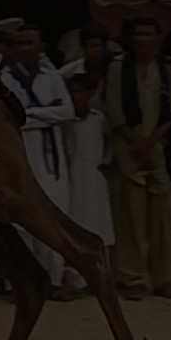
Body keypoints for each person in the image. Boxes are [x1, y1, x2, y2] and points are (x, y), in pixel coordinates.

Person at [103, 17, 171, 300]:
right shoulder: (117, 67)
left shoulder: (166, 68)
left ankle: (162, 278)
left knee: (161, 219)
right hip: (127, 149)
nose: (143, 39)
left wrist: (150, 144)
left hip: (156, 148)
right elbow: (113, 111)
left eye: (149, 34)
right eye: (139, 34)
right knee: (131, 217)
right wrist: (136, 144)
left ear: (158, 37)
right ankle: (133, 277)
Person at [0, 25, 78, 300]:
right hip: (21, 153)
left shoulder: (52, 77)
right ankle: (26, 282)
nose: (24, 48)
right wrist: (45, 113)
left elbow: (67, 111)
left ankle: (54, 279)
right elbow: (10, 119)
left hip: (50, 152)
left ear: (40, 46)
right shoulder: (6, 78)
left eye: (29, 42)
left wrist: (31, 115)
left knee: (54, 215)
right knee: (23, 220)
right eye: (19, 43)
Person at [64, 74, 114, 291]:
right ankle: (76, 279)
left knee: (99, 224)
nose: (78, 97)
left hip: (95, 178)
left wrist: (108, 160)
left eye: (82, 92)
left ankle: (102, 276)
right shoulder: (65, 121)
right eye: (73, 92)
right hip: (72, 179)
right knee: (76, 226)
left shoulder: (98, 118)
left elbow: (110, 141)